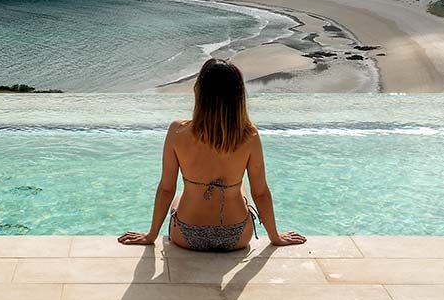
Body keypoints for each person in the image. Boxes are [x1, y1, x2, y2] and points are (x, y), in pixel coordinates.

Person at [118, 58, 306, 251]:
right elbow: (260, 192)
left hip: (186, 234)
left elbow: (167, 189)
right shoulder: (249, 135)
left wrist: (151, 235)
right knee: (241, 190)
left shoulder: (177, 131)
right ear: (238, 96)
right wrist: (275, 237)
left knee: (182, 195)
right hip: (237, 235)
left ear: (199, 92)